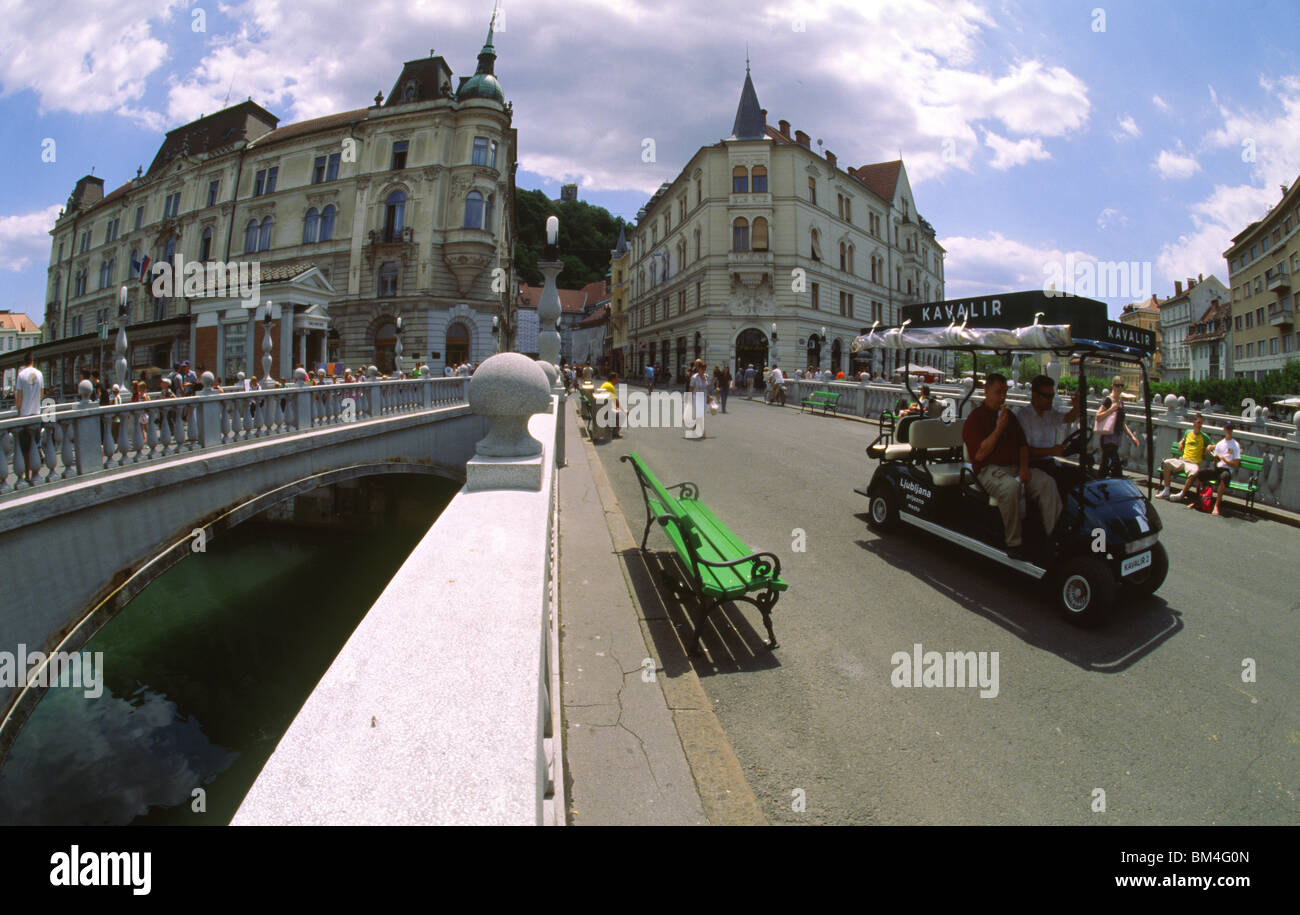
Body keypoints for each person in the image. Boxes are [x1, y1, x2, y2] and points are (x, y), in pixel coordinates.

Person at [961, 373, 1062, 562]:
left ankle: (1053, 539)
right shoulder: (975, 419)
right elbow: (979, 455)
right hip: (988, 470)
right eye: (998, 392)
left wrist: (1024, 468)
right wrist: (999, 429)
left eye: (1004, 393)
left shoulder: (1010, 417)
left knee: (1047, 482)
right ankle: (1014, 543)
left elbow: (1022, 446)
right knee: (1011, 487)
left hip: (1014, 467)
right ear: (986, 391)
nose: (1002, 397)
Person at [1015, 375, 1082, 475]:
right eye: (1047, 396)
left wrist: (1077, 407)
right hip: (1032, 465)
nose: (1051, 400)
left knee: (1080, 474)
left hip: (1049, 462)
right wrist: (1050, 451)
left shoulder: (1050, 413)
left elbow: (1068, 418)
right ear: (1035, 395)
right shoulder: (1024, 417)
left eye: (1052, 396)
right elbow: (1024, 450)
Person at [1095, 377, 1140, 478]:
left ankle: (1099, 485)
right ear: (1112, 386)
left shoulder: (1120, 401)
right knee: (1116, 467)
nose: (1119, 388)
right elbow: (1098, 417)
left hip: (1116, 439)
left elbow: (1122, 423)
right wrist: (1111, 409)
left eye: (1121, 385)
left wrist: (1132, 437)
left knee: (1105, 466)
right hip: (1107, 438)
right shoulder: (1108, 400)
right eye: (1117, 385)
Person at [1158, 412, 1209, 500]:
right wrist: (1181, 442)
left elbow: (1214, 445)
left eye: (1201, 423)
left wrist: (1210, 447)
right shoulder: (1188, 432)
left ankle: (1181, 494)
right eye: (1198, 423)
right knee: (1166, 463)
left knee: (1194, 473)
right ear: (1194, 423)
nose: (1200, 425)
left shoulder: (1204, 437)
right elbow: (1183, 440)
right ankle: (1166, 490)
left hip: (1193, 463)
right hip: (1182, 460)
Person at [1197, 421, 1241, 516]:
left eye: (1231, 429)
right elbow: (1215, 462)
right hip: (1218, 469)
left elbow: (1236, 464)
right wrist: (1216, 461)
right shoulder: (1220, 443)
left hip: (1227, 470)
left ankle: (1216, 505)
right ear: (1224, 429)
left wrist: (1225, 460)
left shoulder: (1235, 445)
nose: (1229, 431)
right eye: (1227, 428)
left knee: (1223, 477)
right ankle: (1201, 499)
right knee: (1200, 473)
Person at [14, 350, 43, 484]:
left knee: (25, 448)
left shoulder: (21, 375)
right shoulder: (39, 374)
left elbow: (18, 399)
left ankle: (27, 475)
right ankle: (36, 473)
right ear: (33, 361)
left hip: (25, 416)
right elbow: (42, 396)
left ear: (24, 362)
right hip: (36, 414)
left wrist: (19, 412)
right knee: (35, 445)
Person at [685, 359, 709, 439]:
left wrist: (709, 396)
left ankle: (693, 428)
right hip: (696, 397)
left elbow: (706, 388)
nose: (703, 370)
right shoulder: (694, 377)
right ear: (698, 368)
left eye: (704, 368)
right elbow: (691, 388)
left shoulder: (706, 376)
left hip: (704, 397)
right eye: (702, 368)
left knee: (701, 415)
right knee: (700, 415)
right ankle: (703, 432)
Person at [598, 372, 624, 438]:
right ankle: (615, 433)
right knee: (621, 414)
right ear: (613, 379)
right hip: (603, 410)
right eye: (616, 378)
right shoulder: (610, 386)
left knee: (616, 412)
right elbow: (615, 400)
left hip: (600, 407)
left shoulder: (606, 384)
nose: (618, 380)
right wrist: (622, 410)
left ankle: (611, 430)